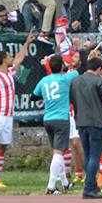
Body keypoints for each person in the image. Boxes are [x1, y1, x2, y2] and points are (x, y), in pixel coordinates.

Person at [0, 31, 35, 188]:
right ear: (3, 59)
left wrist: (27, 43)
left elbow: (19, 59)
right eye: (9, 56)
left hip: (8, 116)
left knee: (2, 146)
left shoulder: (9, 72)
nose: (11, 58)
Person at [33, 54, 80, 194]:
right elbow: (81, 69)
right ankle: (51, 185)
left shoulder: (44, 80)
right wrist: (81, 58)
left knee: (57, 151)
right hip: (61, 119)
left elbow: (33, 96)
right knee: (58, 154)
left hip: (47, 119)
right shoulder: (65, 78)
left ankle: (65, 183)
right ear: (61, 66)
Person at [70, 54, 102, 198]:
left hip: (81, 121)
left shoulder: (75, 80)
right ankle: (89, 187)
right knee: (95, 155)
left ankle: (92, 186)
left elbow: (72, 99)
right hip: (96, 122)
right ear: (99, 68)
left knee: (88, 155)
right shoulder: (99, 81)